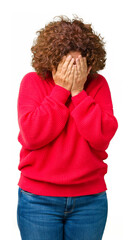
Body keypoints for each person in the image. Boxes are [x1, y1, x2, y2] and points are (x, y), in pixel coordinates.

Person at [16, 15, 118, 240]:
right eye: (67, 64)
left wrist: (79, 93)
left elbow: (101, 137)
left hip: (90, 200)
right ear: (52, 60)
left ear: (89, 62)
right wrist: (60, 91)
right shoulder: (33, 82)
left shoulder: (98, 85)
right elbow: (32, 136)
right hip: (37, 200)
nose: (73, 71)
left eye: (79, 64)